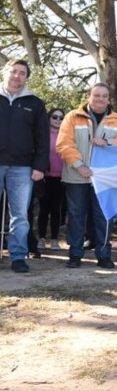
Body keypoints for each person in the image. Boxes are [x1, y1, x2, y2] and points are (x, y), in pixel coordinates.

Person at [56, 83, 117, 269]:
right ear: (89, 96)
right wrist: (79, 166)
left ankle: (104, 255)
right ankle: (75, 254)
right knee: (76, 215)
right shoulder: (72, 117)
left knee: (104, 216)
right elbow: (64, 145)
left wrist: (108, 142)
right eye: (96, 95)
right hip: (77, 176)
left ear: (109, 99)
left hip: (104, 178)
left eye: (104, 96)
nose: (100, 99)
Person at [0, 59, 49, 273]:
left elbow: (42, 138)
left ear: (26, 77)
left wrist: (40, 166)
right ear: (5, 72)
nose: (17, 76)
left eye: (22, 72)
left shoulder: (35, 103)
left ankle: (18, 256)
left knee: (20, 215)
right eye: (13, 71)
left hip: (22, 167)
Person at [37, 108, 66, 251]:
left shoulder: (67, 135)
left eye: (61, 118)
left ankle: (55, 239)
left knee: (56, 209)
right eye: (55, 117)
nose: (58, 120)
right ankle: (41, 238)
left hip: (61, 178)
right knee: (43, 209)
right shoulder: (42, 135)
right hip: (44, 176)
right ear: (49, 118)